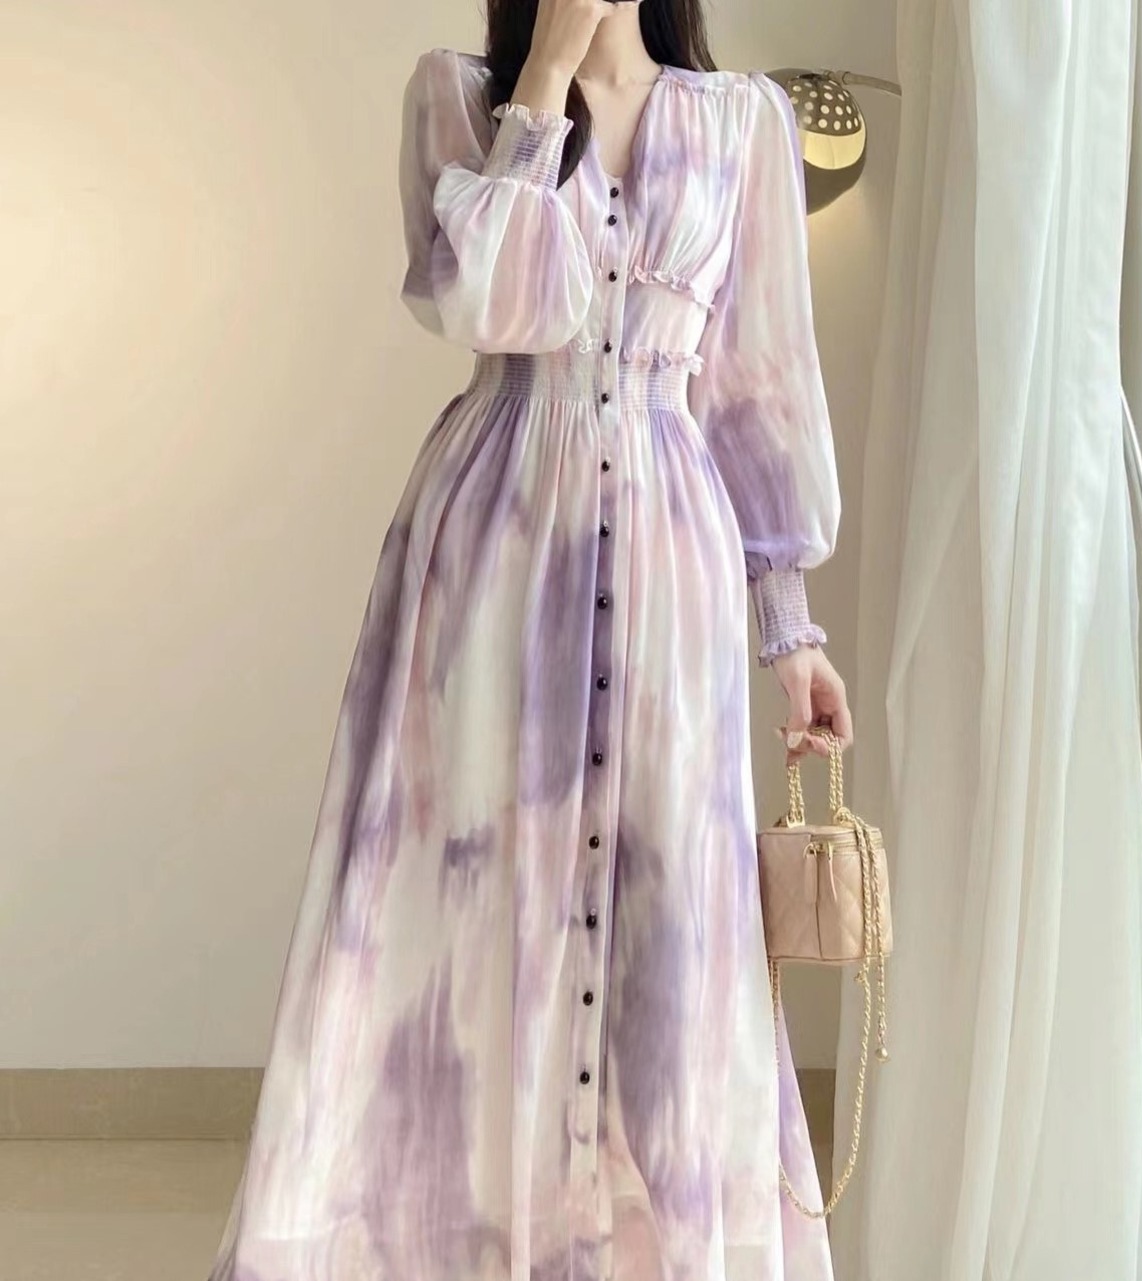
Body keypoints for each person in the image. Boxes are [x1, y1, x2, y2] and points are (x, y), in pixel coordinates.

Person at [208, 0, 852, 1277]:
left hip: (672, 556)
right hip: (489, 556)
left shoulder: (743, 123)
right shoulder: (457, 97)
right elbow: (486, 307)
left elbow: (757, 380)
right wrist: (544, 74)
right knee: (459, 909)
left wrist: (791, 631)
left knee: (674, 927)